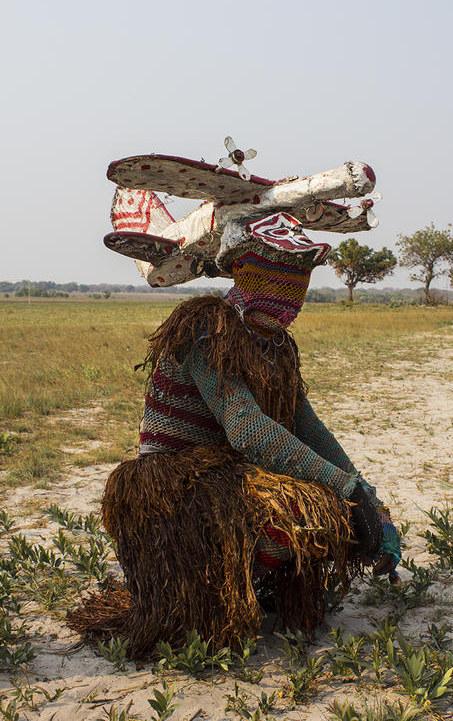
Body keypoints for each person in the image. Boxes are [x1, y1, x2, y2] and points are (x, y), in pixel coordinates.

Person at [69, 212, 400, 658]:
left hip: (227, 471)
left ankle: (259, 587)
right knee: (301, 510)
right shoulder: (206, 327)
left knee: (331, 505)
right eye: (281, 271)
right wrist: (344, 487)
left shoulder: (274, 344)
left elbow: (305, 424)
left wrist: (367, 497)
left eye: (300, 273)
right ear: (246, 270)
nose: (291, 288)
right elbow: (247, 429)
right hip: (174, 482)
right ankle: (224, 592)